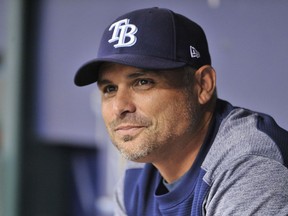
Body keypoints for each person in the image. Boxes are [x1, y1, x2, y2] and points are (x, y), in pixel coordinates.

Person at [74, 7, 288, 216]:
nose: (120, 107)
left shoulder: (249, 166)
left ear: (203, 85)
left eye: (143, 82)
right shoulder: (136, 177)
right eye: (110, 89)